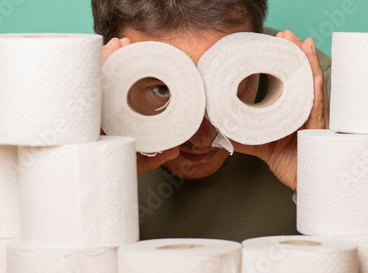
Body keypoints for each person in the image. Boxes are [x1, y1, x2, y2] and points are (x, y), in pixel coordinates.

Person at [92, 0, 330, 241]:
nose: (203, 138)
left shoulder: (318, 97)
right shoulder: (79, 111)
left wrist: (318, 183)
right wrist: (95, 178)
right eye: (163, 88)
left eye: (232, 83)